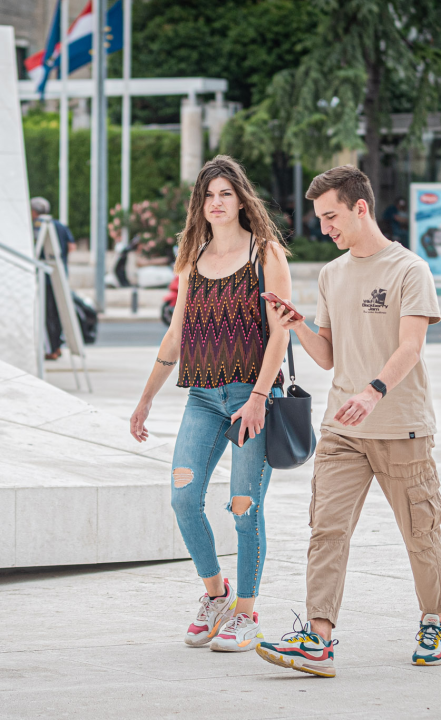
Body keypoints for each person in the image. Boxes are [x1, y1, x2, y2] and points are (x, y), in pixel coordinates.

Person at [255, 166, 441, 678]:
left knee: (420, 533)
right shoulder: (331, 274)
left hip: (401, 426)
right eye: (320, 218)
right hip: (343, 427)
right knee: (327, 530)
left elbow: (411, 345)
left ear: (361, 208)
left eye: (331, 216)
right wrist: (296, 324)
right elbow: (326, 356)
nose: (325, 229)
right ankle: (317, 639)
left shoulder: (409, 270)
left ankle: (433, 620)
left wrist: (374, 390)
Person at [129, 155, 293, 652]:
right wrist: (144, 401)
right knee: (183, 498)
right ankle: (215, 594)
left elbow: (282, 330)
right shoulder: (192, 259)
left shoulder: (266, 254)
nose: (216, 203)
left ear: (241, 198)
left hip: (251, 397)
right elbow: (176, 334)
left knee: (245, 507)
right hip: (201, 397)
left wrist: (262, 397)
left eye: (225, 193)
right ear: (199, 205)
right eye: (208, 195)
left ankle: (246, 613)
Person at [31, 197, 75, 360]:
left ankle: (51, 349)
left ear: (34, 211)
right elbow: (72, 246)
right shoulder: (60, 225)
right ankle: (57, 346)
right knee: (59, 313)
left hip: (45, 278)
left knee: (47, 314)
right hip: (61, 275)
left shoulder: (36, 226)